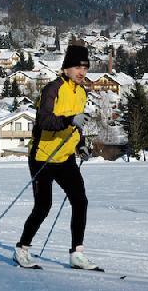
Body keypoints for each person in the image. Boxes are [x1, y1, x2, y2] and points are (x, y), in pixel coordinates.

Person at [13, 44, 98, 270]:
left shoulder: (81, 93)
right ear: (66, 68)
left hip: (66, 157)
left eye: (86, 68)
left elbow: (76, 127)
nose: (82, 72)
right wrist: (69, 119)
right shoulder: (53, 89)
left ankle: (77, 254)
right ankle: (22, 248)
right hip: (43, 156)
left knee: (80, 201)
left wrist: (81, 145)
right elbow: (44, 121)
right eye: (78, 67)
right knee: (43, 206)